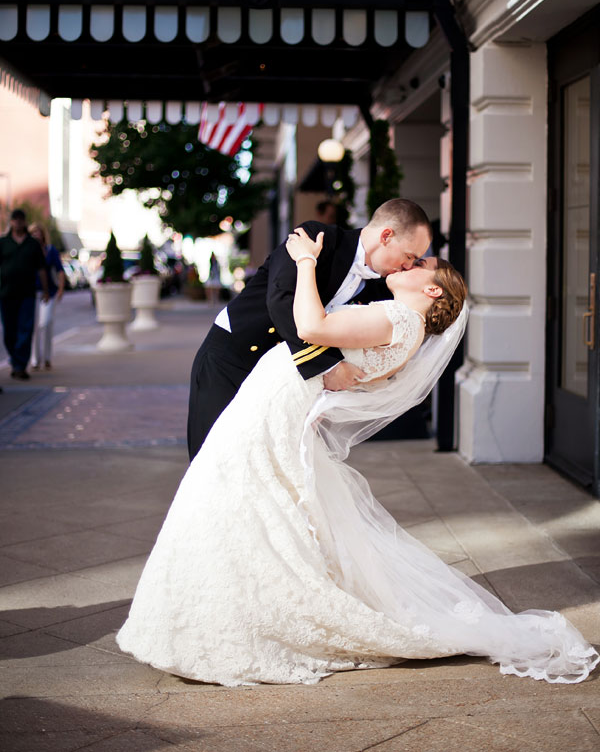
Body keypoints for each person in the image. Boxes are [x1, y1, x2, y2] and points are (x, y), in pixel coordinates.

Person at [117, 231, 598, 686]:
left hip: (272, 408)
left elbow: (310, 326)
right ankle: (222, 612)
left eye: (419, 263)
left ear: (431, 289)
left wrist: (306, 261)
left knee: (235, 501)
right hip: (273, 404)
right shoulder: (399, 323)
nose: (410, 263)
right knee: (247, 506)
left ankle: (232, 620)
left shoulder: (398, 320)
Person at [187, 198, 433, 460]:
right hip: (233, 358)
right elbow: (281, 302)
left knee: (260, 464)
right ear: (386, 235)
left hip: (282, 380)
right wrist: (328, 366)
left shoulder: (382, 288)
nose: (408, 266)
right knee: (215, 459)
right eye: (409, 256)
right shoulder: (317, 238)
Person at [0, 209, 49, 380]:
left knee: (26, 329)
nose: (18, 222)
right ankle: (15, 360)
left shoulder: (32, 244)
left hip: (27, 293)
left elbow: (41, 269)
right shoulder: (3, 243)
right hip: (6, 293)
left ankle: (20, 365)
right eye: (15, 219)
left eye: (21, 219)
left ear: (24, 221)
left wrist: (45, 290)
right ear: (11, 222)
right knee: (9, 331)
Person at [29, 223, 66, 371]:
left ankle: (47, 358)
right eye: (33, 233)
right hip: (32, 293)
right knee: (34, 327)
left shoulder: (51, 251)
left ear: (43, 234)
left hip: (48, 293)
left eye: (38, 232)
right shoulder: (28, 251)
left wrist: (61, 289)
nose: (36, 235)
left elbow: (60, 271)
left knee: (46, 323)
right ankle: (35, 360)